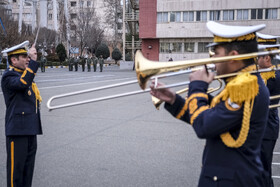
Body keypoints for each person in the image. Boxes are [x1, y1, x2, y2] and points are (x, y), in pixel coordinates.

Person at [150, 21, 269, 186]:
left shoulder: (244, 87)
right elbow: (211, 115)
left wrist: (198, 87)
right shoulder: (242, 84)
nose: (211, 58)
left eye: (216, 52)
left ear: (233, 57)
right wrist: (173, 99)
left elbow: (204, 126)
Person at [1, 41, 43, 187]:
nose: (28, 59)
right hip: (17, 131)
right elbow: (23, 83)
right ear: (13, 60)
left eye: (28, 56)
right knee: (16, 173)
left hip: (30, 129)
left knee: (28, 172)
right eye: (24, 56)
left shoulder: (23, 74)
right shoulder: (8, 77)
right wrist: (33, 64)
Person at [258, 40, 280, 187]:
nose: (255, 60)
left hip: (267, 128)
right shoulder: (261, 73)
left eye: (258, 57)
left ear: (267, 58)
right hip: (260, 127)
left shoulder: (275, 75)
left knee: (264, 170)